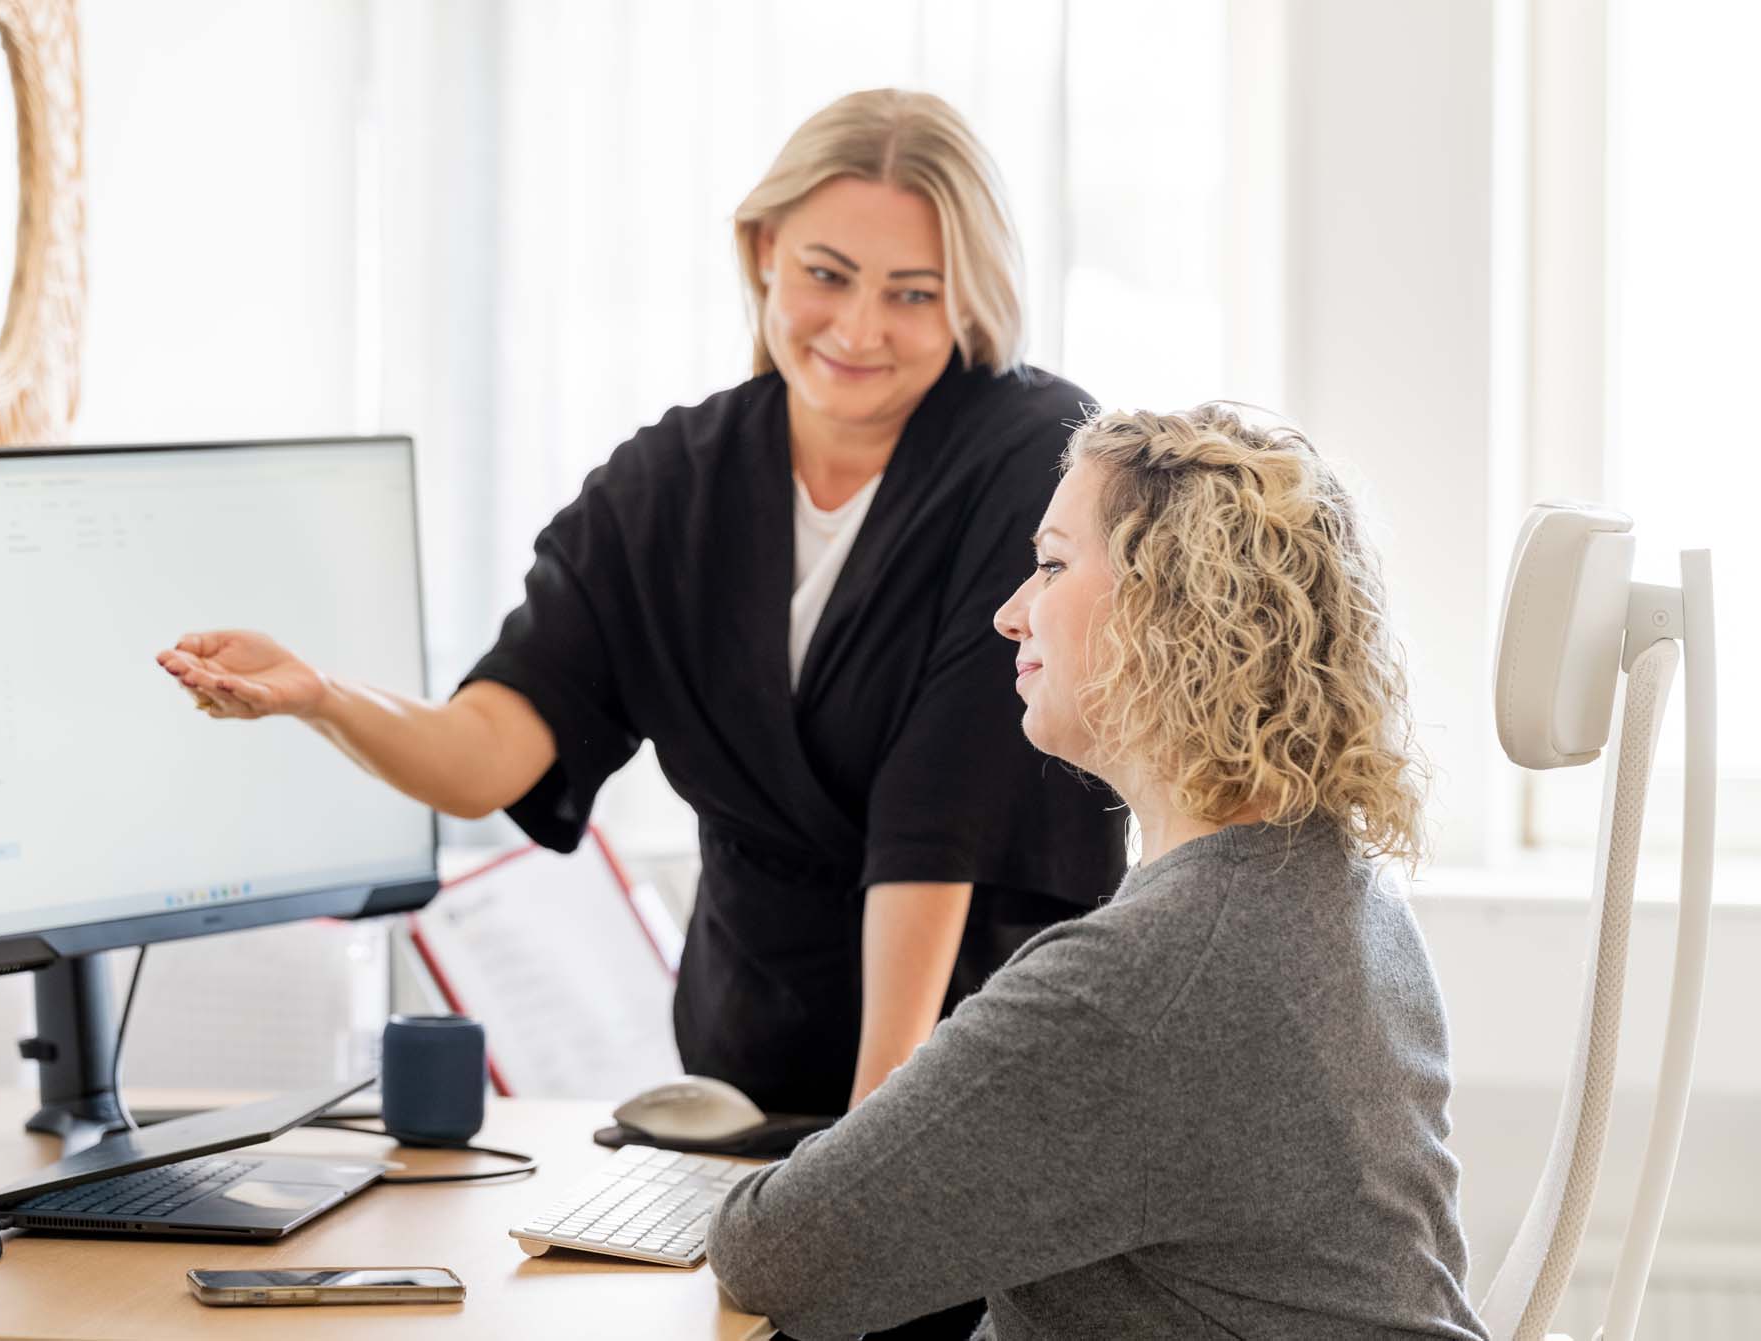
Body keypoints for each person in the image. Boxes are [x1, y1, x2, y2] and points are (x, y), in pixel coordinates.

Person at [156, 93, 1125, 1121]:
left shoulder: (1036, 457)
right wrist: (321, 697)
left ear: (969, 298)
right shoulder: (667, 487)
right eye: (826, 275)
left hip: (975, 1079)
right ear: (762, 251)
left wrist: (872, 1155)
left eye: (913, 294)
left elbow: (939, 830)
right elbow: (486, 755)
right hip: (748, 1065)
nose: (858, 328)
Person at [707, 404, 1488, 1340]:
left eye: (1050, 565)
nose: (1009, 613)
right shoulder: (1337, 885)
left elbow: (780, 1256)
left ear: (1173, 600)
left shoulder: (1150, 976)